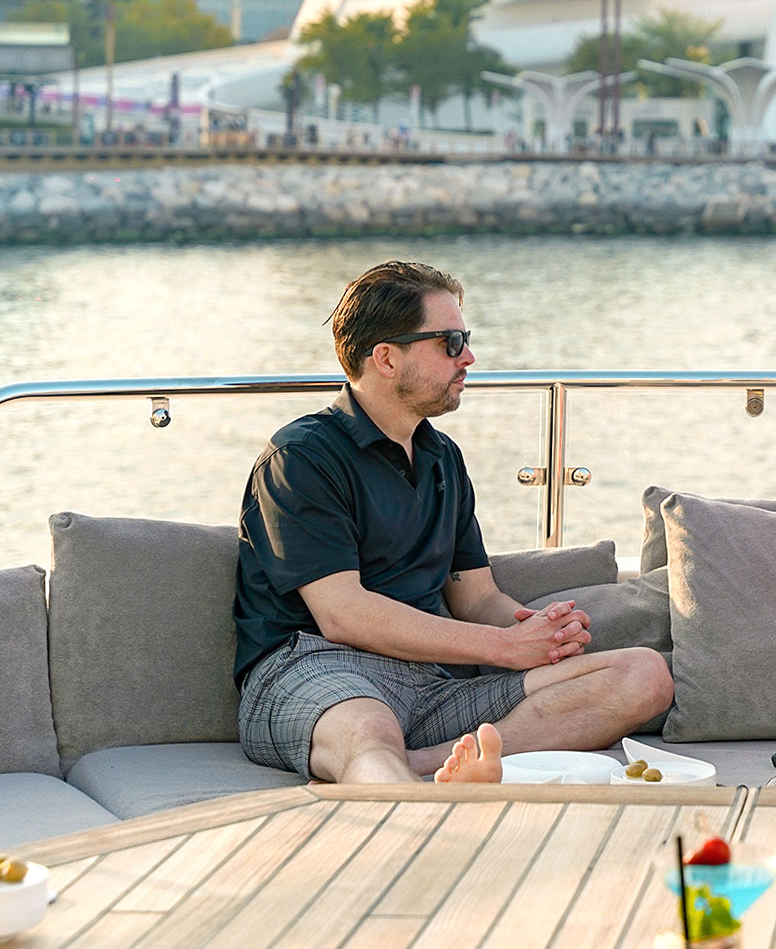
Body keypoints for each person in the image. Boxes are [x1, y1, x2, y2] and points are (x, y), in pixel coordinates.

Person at [233, 261, 673, 785]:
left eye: (465, 339)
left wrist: (536, 632)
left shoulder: (443, 458)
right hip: (316, 670)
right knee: (370, 729)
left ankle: (425, 767)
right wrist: (503, 649)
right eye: (450, 342)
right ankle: (414, 813)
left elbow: (476, 599)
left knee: (643, 674)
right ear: (386, 358)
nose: (468, 356)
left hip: (434, 687)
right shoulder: (301, 457)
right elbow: (342, 616)